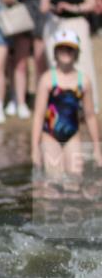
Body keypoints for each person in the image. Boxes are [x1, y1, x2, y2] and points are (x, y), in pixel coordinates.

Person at [31, 30, 102, 178]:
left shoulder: (84, 81)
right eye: (62, 48)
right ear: (55, 52)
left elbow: (90, 116)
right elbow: (38, 116)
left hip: (72, 136)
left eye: (70, 49)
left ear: (76, 53)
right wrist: (35, 148)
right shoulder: (48, 79)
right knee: (54, 179)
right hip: (50, 135)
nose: (66, 52)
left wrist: (97, 147)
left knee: (75, 178)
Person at [41, 0, 98, 112]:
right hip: (55, 25)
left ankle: (88, 104)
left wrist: (72, 7)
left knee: (83, 62)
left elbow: (91, 4)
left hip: (76, 24)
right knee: (55, 63)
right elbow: (43, 7)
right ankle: (58, 103)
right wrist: (55, 7)